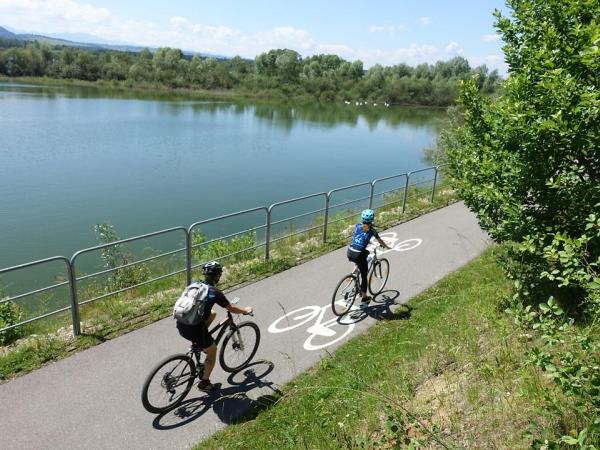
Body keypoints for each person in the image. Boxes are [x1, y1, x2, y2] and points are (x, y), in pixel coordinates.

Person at [176, 260, 253, 392]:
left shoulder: (194, 284)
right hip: (194, 329)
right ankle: (205, 383)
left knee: (212, 313)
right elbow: (231, 308)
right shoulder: (214, 292)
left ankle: (198, 342)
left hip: (181, 324)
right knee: (212, 351)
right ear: (218, 276)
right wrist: (245, 311)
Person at [347, 209, 391, 305]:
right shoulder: (372, 231)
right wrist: (386, 246)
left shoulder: (357, 226)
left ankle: (352, 275)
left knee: (364, 255)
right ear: (372, 219)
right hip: (358, 254)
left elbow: (362, 233)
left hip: (350, 251)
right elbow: (380, 241)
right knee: (364, 275)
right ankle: (364, 296)